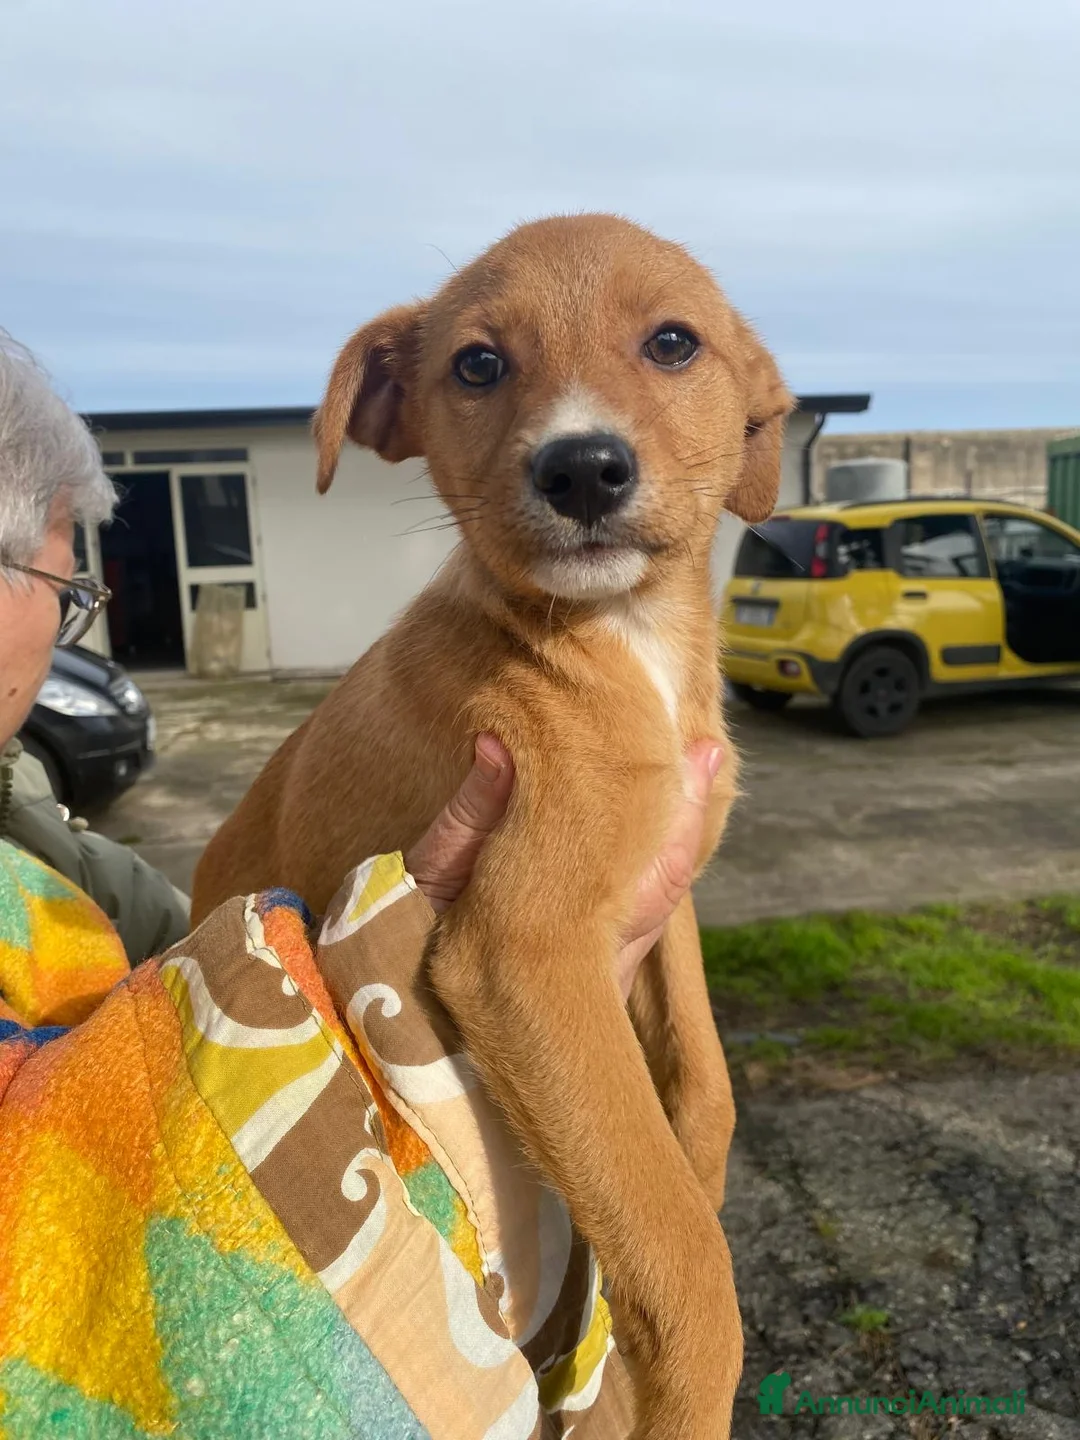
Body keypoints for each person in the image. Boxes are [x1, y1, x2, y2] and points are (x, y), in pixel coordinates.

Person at [0, 333, 721, 1438]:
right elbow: (512, 968)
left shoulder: (39, 836)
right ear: (392, 410)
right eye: (62, 586)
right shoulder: (498, 672)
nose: (63, 632)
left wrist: (696, 1106)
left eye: (670, 346)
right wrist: (694, 1330)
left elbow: (632, 890)